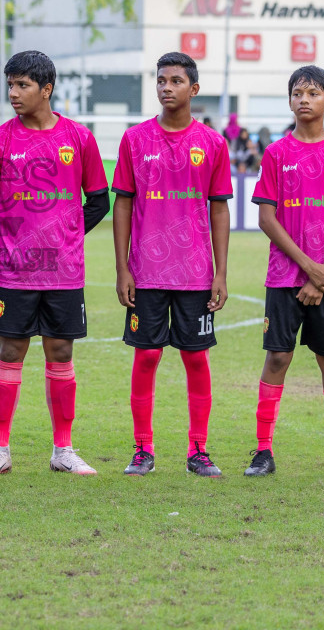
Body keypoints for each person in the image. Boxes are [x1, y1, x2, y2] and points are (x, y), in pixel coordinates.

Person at [0, 50, 109, 476]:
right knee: (10, 350)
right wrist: (14, 242)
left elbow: (99, 201)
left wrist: (65, 238)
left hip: (64, 271)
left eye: (22, 85)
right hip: (14, 272)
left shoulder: (79, 138)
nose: (13, 93)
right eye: (10, 84)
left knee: (61, 350)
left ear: (46, 89)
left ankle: (63, 449)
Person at [246, 66, 324, 478]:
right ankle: (263, 451)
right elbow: (267, 218)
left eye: (313, 93)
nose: (304, 99)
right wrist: (309, 269)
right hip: (285, 279)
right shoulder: (276, 154)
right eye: (297, 92)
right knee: (278, 357)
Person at [112, 52, 230, 478]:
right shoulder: (134, 139)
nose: (166, 87)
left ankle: (198, 450)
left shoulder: (213, 143)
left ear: (193, 90)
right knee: (146, 358)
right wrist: (124, 268)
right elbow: (122, 203)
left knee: (196, 360)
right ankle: (142, 449)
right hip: (146, 272)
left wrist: (220, 271)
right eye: (161, 80)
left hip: (196, 274)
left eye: (176, 80)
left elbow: (219, 209)